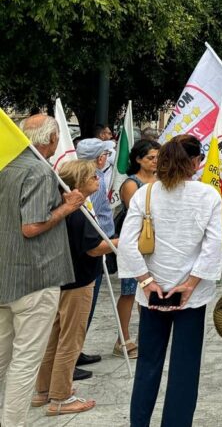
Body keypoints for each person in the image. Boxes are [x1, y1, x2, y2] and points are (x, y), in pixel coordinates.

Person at [118, 135, 222, 427]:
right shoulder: (207, 196)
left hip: (152, 289)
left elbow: (126, 243)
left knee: (148, 365)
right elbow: (213, 246)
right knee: (185, 369)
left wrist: (145, 280)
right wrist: (190, 284)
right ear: (194, 162)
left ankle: (139, 422)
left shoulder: (145, 193)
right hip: (191, 293)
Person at [0, 115, 82, 427]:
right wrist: (67, 207)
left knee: (2, 359)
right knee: (24, 362)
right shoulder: (37, 170)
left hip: (6, 274)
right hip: (34, 277)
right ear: (50, 140)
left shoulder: (5, 166)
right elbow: (31, 226)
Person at [33, 160, 119, 416]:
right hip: (78, 281)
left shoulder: (61, 204)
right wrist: (123, 241)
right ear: (79, 181)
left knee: (54, 338)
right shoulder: (76, 210)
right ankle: (60, 397)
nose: (97, 179)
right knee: (70, 339)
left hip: (59, 279)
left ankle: (43, 391)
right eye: (92, 175)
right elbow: (93, 247)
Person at [114, 139, 161, 359]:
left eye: (158, 157)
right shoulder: (131, 184)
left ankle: (148, 336)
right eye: (151, 158)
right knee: (129, 292)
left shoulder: (160, 180)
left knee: (148, 290)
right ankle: (123, 339)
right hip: (136, 242)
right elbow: (137, 214)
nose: (155, 162)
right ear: (138, 160)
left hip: (155, 243)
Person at [74, 138, 116, 353]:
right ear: (100, 158)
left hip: (93, 242)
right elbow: (96, 214)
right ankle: (74, 355)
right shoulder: (93, 180)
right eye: (106, 155)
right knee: (84, 307)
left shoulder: (79, 176)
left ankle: (76, 351)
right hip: (97, 244)